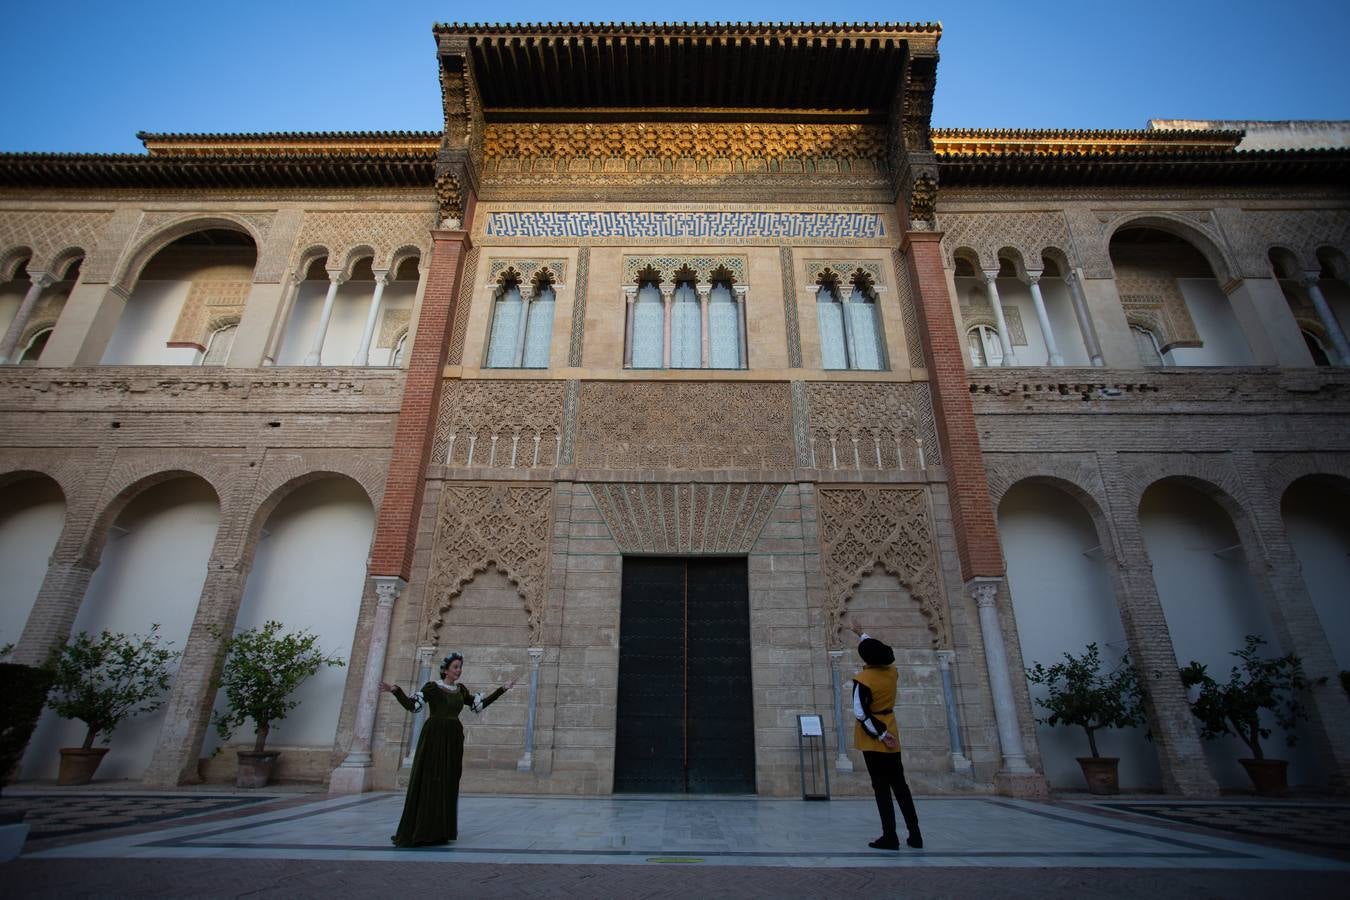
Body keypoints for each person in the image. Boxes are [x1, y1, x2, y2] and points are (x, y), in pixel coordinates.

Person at [380, 651, 517, 847]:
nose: (458, 671)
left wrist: (502, 689)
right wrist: (395, 690)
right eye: (455, 667)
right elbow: (412, 706)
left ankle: (439, 831)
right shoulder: (432, 688)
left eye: (460, 667)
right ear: (445, 670)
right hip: (434, 736)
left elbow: (479, 705)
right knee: (429, 780)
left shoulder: (460, 690)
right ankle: (421, 831)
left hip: (453, 738)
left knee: (447, 781)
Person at [847, 617, 923, 850]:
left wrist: (879, 735)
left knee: (881, 788)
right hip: (892, 729)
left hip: (875, 737)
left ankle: (890, 836)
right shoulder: (892, 672)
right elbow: (877, 652)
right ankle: (915, 834)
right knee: (900, 786)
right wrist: (862, 634)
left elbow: (861, 713)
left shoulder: (863, 680)